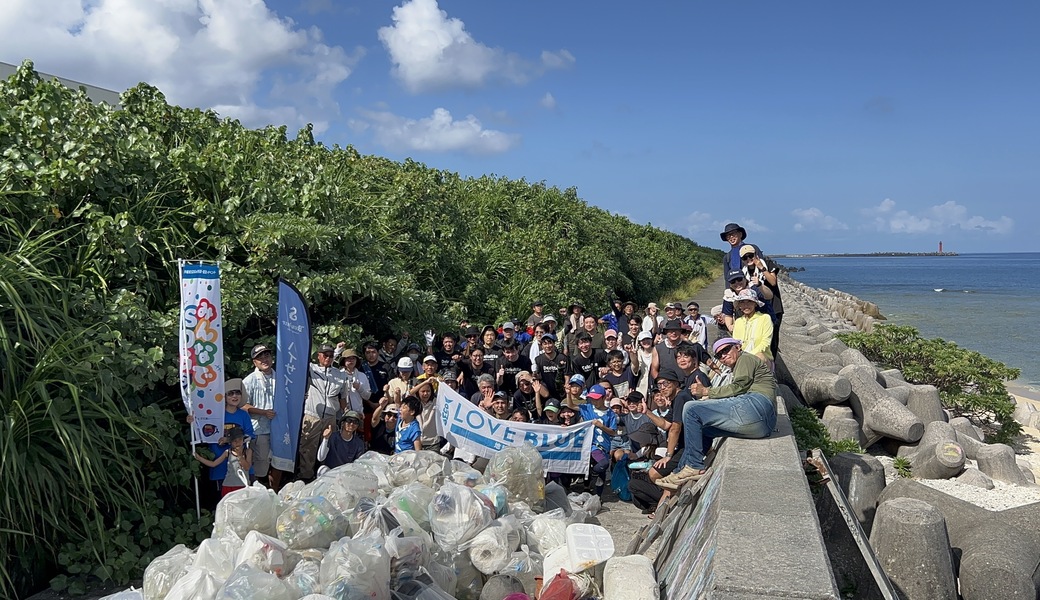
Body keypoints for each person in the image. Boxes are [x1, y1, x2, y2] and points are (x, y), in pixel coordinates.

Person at [656, 338, 777, 490]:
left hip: (758, 407)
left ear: (738, 347)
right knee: (704, 430)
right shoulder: (739, 364)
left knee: (691, 409)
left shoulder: (745, 358)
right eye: (719, 355)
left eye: (726, 350)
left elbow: (739, 386)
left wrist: (707, 391)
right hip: (762, 425)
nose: (724, 356)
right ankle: (681, 471)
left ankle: (693, 466)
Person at [298, 344, 348, 480]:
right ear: (318, 356)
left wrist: (346, 415)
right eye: (325, 355)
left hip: (331, 417)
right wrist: (337, 351)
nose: (328, 358)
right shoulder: (312, 369)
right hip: (312, 415)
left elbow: (343, 398)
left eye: (331, 356)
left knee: (327, 447)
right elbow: (300, 361)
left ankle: (324, 476)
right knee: (308, 448)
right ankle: (306, 477)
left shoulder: (340, 375)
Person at [241, 345, 277, 488]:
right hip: (259, 429)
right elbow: (242, 405)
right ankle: (256, 488)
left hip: (279, 429)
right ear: (254, 362)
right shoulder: (249, 380)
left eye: (266, 356)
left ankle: (274, 490)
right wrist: (263, 412)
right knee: (261, 462)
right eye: (260, 358)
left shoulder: (281, 377)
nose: (264, 360)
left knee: (278, 461)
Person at [740, 244, 784, 357]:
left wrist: (761, 267)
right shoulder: (744, 272)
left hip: (774, 307)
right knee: (758, 338)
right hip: (757, 309)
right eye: (745, 257)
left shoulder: (767, 264)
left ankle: (772, 365)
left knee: (772, 340)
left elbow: (773, 282)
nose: (749, 259)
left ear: (756, 255)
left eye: (751, 256)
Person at [578, 384, 618, 496]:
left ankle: (598, 496)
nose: (594, 401)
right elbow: (571, 405)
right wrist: (568, 392)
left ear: (603, 397)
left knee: (602, 474)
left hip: (605, 445)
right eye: (592, 398)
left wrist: (601, 426)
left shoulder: (610, 414)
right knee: (603, 464)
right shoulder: (588, 408)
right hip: (592, 445)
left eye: (596, 398)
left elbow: (613, 432)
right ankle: (589, 479)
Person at [194, 427, 252, 497]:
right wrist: (199, 458)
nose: (237, 442)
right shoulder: (227, 452)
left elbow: (247, 467)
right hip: (228, 485)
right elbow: (213, 464)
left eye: (240, 439)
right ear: (230, 442)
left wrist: (240, 455)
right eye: (234, 440)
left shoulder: (248, 451)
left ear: (243, 440)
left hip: (243, 485)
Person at [732, 288, 774, 364]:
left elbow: (765, 343)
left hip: (761, 359)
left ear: (755, 303)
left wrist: (748, 356)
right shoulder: (738, 321)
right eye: (742, 302)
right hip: (742, 359)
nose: (746, 305)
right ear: (739, 305)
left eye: (749, 302)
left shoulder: (765, 318)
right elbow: (735, 343)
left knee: (759, 356)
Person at [533, 333, 569, 400]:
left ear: (554, 344)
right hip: (546, 392)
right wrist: (535, 375)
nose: (548, 346)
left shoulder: (562, 358)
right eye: (545, 344)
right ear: (541, 346)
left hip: (561, 392)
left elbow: (567, 374)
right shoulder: (538, 359)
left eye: (550, 343)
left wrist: (566, 385)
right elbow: (538, 377)